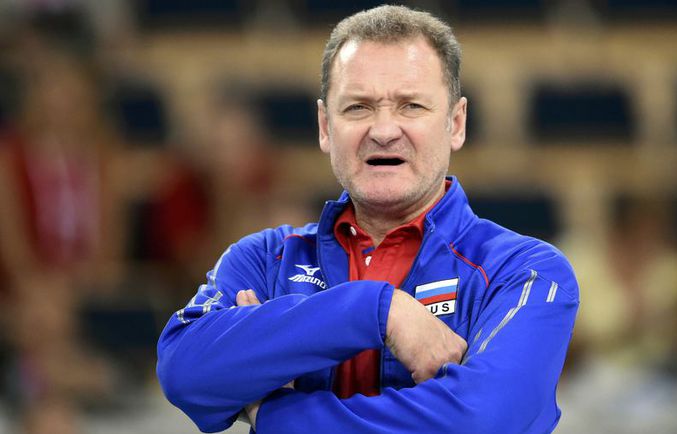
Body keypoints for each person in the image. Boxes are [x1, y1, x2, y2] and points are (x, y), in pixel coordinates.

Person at [156, 5, 579, 433]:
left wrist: (275, 413)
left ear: (455, 123)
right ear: (325, 127)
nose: (384, 130)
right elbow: (183, 372)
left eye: (411, 105)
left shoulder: (524, 272)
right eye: (358, 107)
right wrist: (378, 309)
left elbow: (483, 420)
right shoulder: (264, 260)